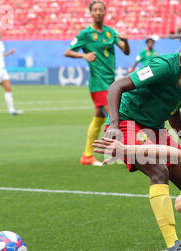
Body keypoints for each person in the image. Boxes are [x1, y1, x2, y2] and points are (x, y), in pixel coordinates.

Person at [103, 22, 181, 251]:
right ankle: (172, 245)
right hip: (128, 121)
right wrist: (115, 126)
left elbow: (173, 109)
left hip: (154, 127)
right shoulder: (163, 67)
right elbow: (116, 87)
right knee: (159, 172)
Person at [64, 0, 130, 166]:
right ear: (91, 13)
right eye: (96, 10)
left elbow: (126, 51)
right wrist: (83, 56)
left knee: (99, 119)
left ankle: (87, 156)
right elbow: (67, 51)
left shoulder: (109, 32)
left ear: (105, 12)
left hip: (110, 81)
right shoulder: (85, 34)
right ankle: (127, 154)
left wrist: (126, 41)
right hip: (98, 83)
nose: (99, 12)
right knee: (115, 117)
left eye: (101, 10)